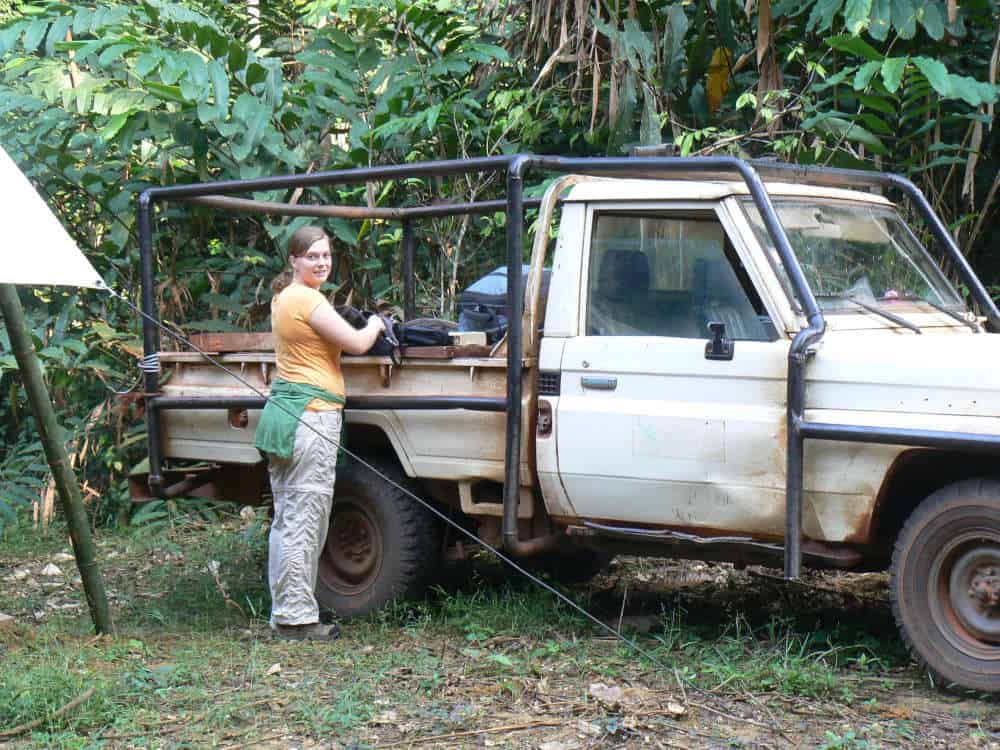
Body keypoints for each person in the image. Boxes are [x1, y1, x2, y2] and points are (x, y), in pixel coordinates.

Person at [254, 225, 386, 641]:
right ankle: (296, 619)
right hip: (308, 416)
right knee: (303, 518)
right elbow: (358, 343)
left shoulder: (285, 298)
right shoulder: (305, 299)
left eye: (326, 256)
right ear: (293, 260)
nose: (321, 263)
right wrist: (379, 324)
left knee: (288, 518)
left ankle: (286, 612)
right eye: (312, 256)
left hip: (289, 413)